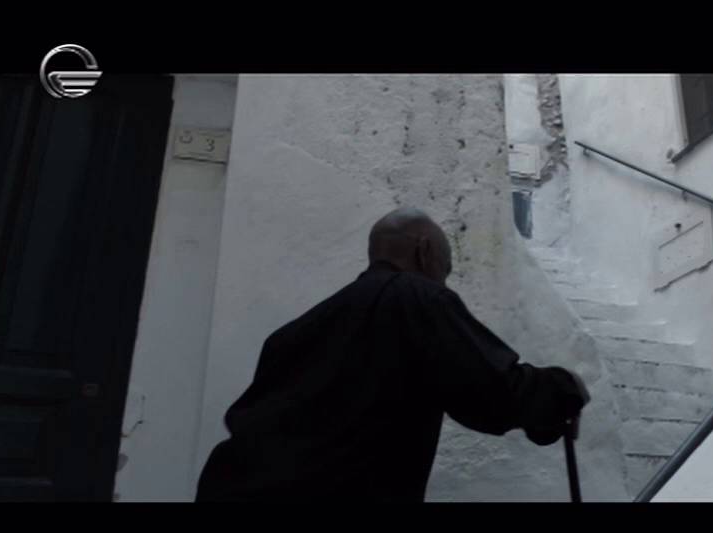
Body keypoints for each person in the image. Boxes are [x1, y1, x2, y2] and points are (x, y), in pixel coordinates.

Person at [196, 207, 590, 502]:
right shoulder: (416, 297)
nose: (443, 280)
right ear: (424, 252)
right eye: (445, 269)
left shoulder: (290, 335)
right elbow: (492, 393)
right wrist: (563, 389)